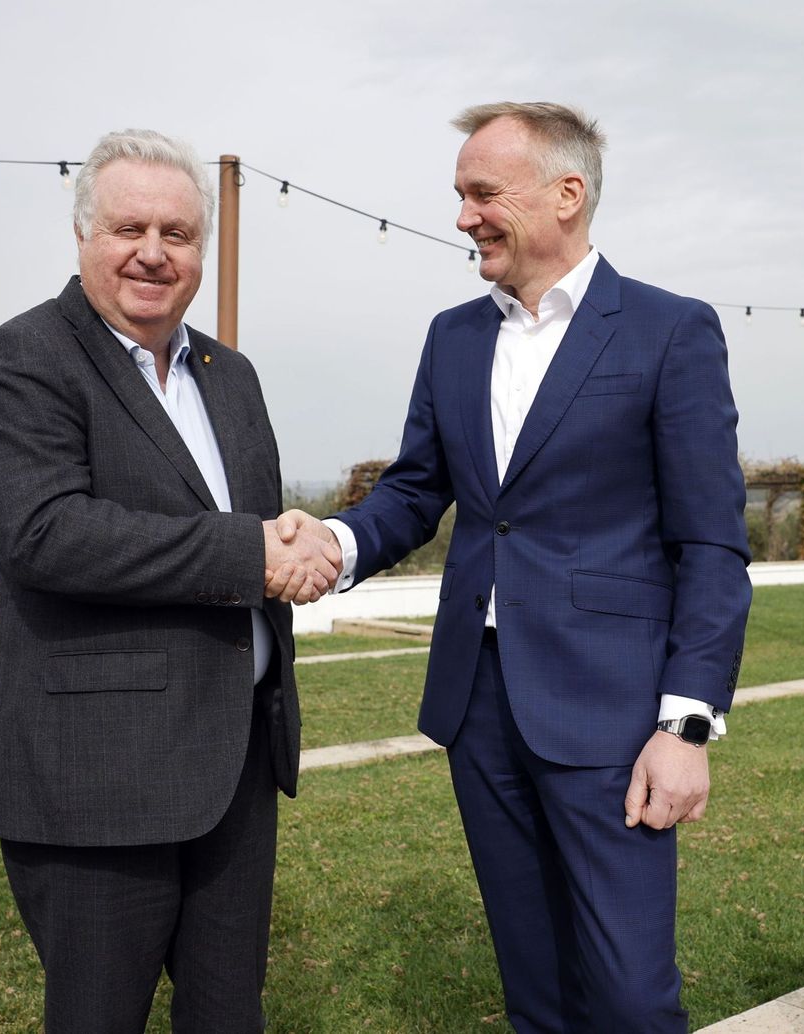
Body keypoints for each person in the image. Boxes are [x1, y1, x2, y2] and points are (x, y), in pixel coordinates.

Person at [278, 102, 752, 1032]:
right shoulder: (452, 337)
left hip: (612, 713)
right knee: (534, 989)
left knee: (626, 995)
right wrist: (334, 546)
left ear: (566, 195)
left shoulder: (668, 331)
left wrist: (686, 726)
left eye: (483, 194)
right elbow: (418, 490)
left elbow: (711, 545)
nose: (463, 218)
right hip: (478, 705)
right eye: (461, 196)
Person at [0, 128, 340, 1032]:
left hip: (236, 771)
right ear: (85, 235)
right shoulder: (24, 359)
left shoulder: (230, 376)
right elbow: (47, 534)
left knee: (227, 1017)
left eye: (178, 234)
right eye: (130, 228)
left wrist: (302, 538)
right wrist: (253, 551)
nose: (154, 253)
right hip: (100, 780)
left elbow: (252, 523)